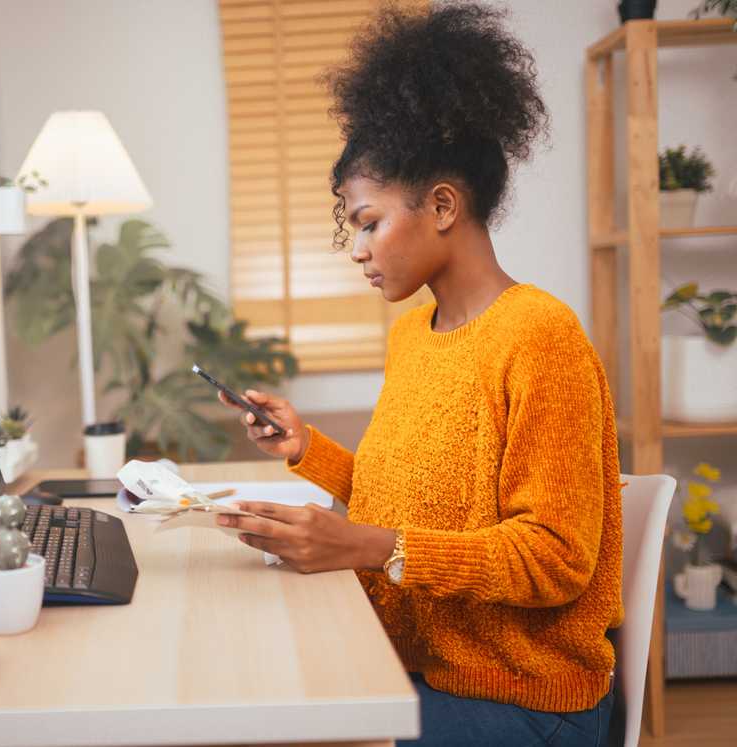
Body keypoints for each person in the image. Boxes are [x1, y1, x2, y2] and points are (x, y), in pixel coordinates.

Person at [214, 4, 621, 746]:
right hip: (420, 668)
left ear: (441, 206)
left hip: (525, 698)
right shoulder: (412, 334)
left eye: (369, 222)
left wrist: (365, 546)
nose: (360, 248)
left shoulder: (539, 334)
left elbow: (558, 557)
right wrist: (309, 448)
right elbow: (404, 497)